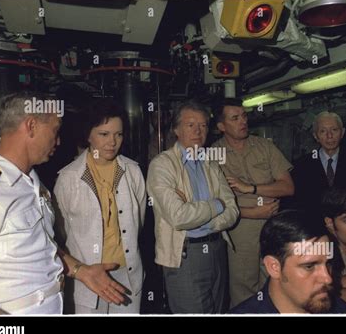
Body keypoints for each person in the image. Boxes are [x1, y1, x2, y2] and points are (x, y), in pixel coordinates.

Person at [0, 92, 128, 314]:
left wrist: (81, 271)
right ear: (31, 126)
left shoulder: (33, 183)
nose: (59, 141)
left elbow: (43, 246)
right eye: (55, 130)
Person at [54, 98, 146, 314]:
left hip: (127, 273)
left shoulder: (132, 171)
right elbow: (60, 231)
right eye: (104, 134)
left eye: (118, 134)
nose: (112, 142)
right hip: (88, 276)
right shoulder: (68, 177)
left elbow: (139, 221)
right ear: (88, 135)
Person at [146, 100, 239, 313]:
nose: (198, 131)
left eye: (203, 125)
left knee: (219, 310)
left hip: (217, 250)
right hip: (184, 256)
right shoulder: (162, 165)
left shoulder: (211, 164)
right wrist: (217, 204)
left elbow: (233, 211)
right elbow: (179, 217)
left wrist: (201, 217)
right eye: (190, 125)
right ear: (177, 129)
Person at [212, 98, 294, 308]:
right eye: (235, 118)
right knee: (243, 289)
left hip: (273, 226)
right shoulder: (212, 155)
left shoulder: (264, 146)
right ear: (221, 126)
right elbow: (213, 204)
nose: (243, 122)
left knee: (276, 281)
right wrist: (253, 212)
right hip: (240, 228)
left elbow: (287, 187)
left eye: (244, 116)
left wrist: (252, 188)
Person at [230, 210, 346, 314]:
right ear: (274, 267)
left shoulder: (341, 311)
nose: (328, 278)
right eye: (309, 266)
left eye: (328, 263)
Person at [291, 111, 346, 228]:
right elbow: (297, 204)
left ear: (342, 133)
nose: (329, 136)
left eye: (334, 130)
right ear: (315, 136)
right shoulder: (302, 166)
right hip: (313, 230)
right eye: (323, 131)